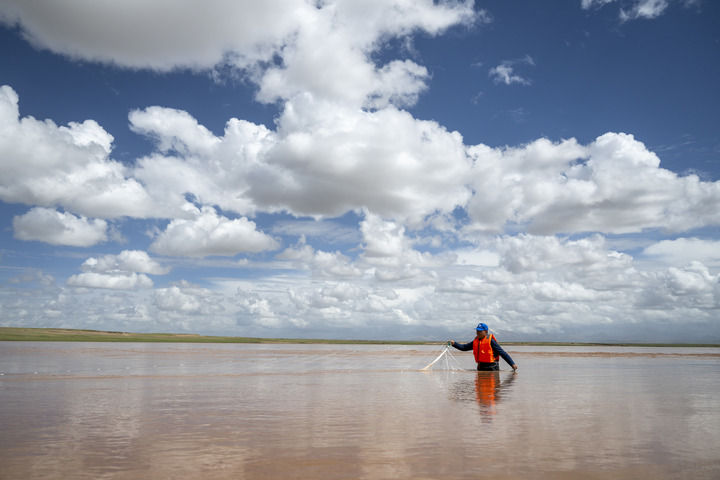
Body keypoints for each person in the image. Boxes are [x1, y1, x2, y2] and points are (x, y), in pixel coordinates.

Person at [449, 323, 518, 372]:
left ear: (486, 332)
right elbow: (464, 347)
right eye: (477, 331)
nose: (478, 332)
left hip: (492, 368)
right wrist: (454, 344)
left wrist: (512, 364)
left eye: (480, 331)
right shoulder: (476, 341)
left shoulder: (491, 341)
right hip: (481, 367)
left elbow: (502, 353)